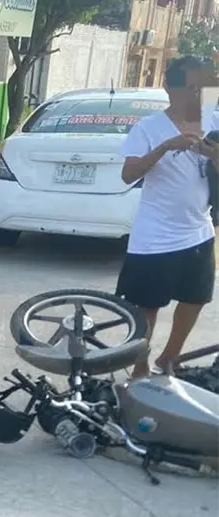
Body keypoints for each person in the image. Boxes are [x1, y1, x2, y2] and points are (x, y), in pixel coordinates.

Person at [117, 55, 217, 378]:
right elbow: (128, 174)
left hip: (198, 230)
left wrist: (211, 154)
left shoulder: (211, 122)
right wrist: (164, 147)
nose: (195, 94)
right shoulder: (148, 128)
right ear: (168, 88)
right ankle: (140, 365)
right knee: (147, 307)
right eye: (189, 87)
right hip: (154, 235)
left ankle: (170, 357)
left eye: (199, 87)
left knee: (196, 297)